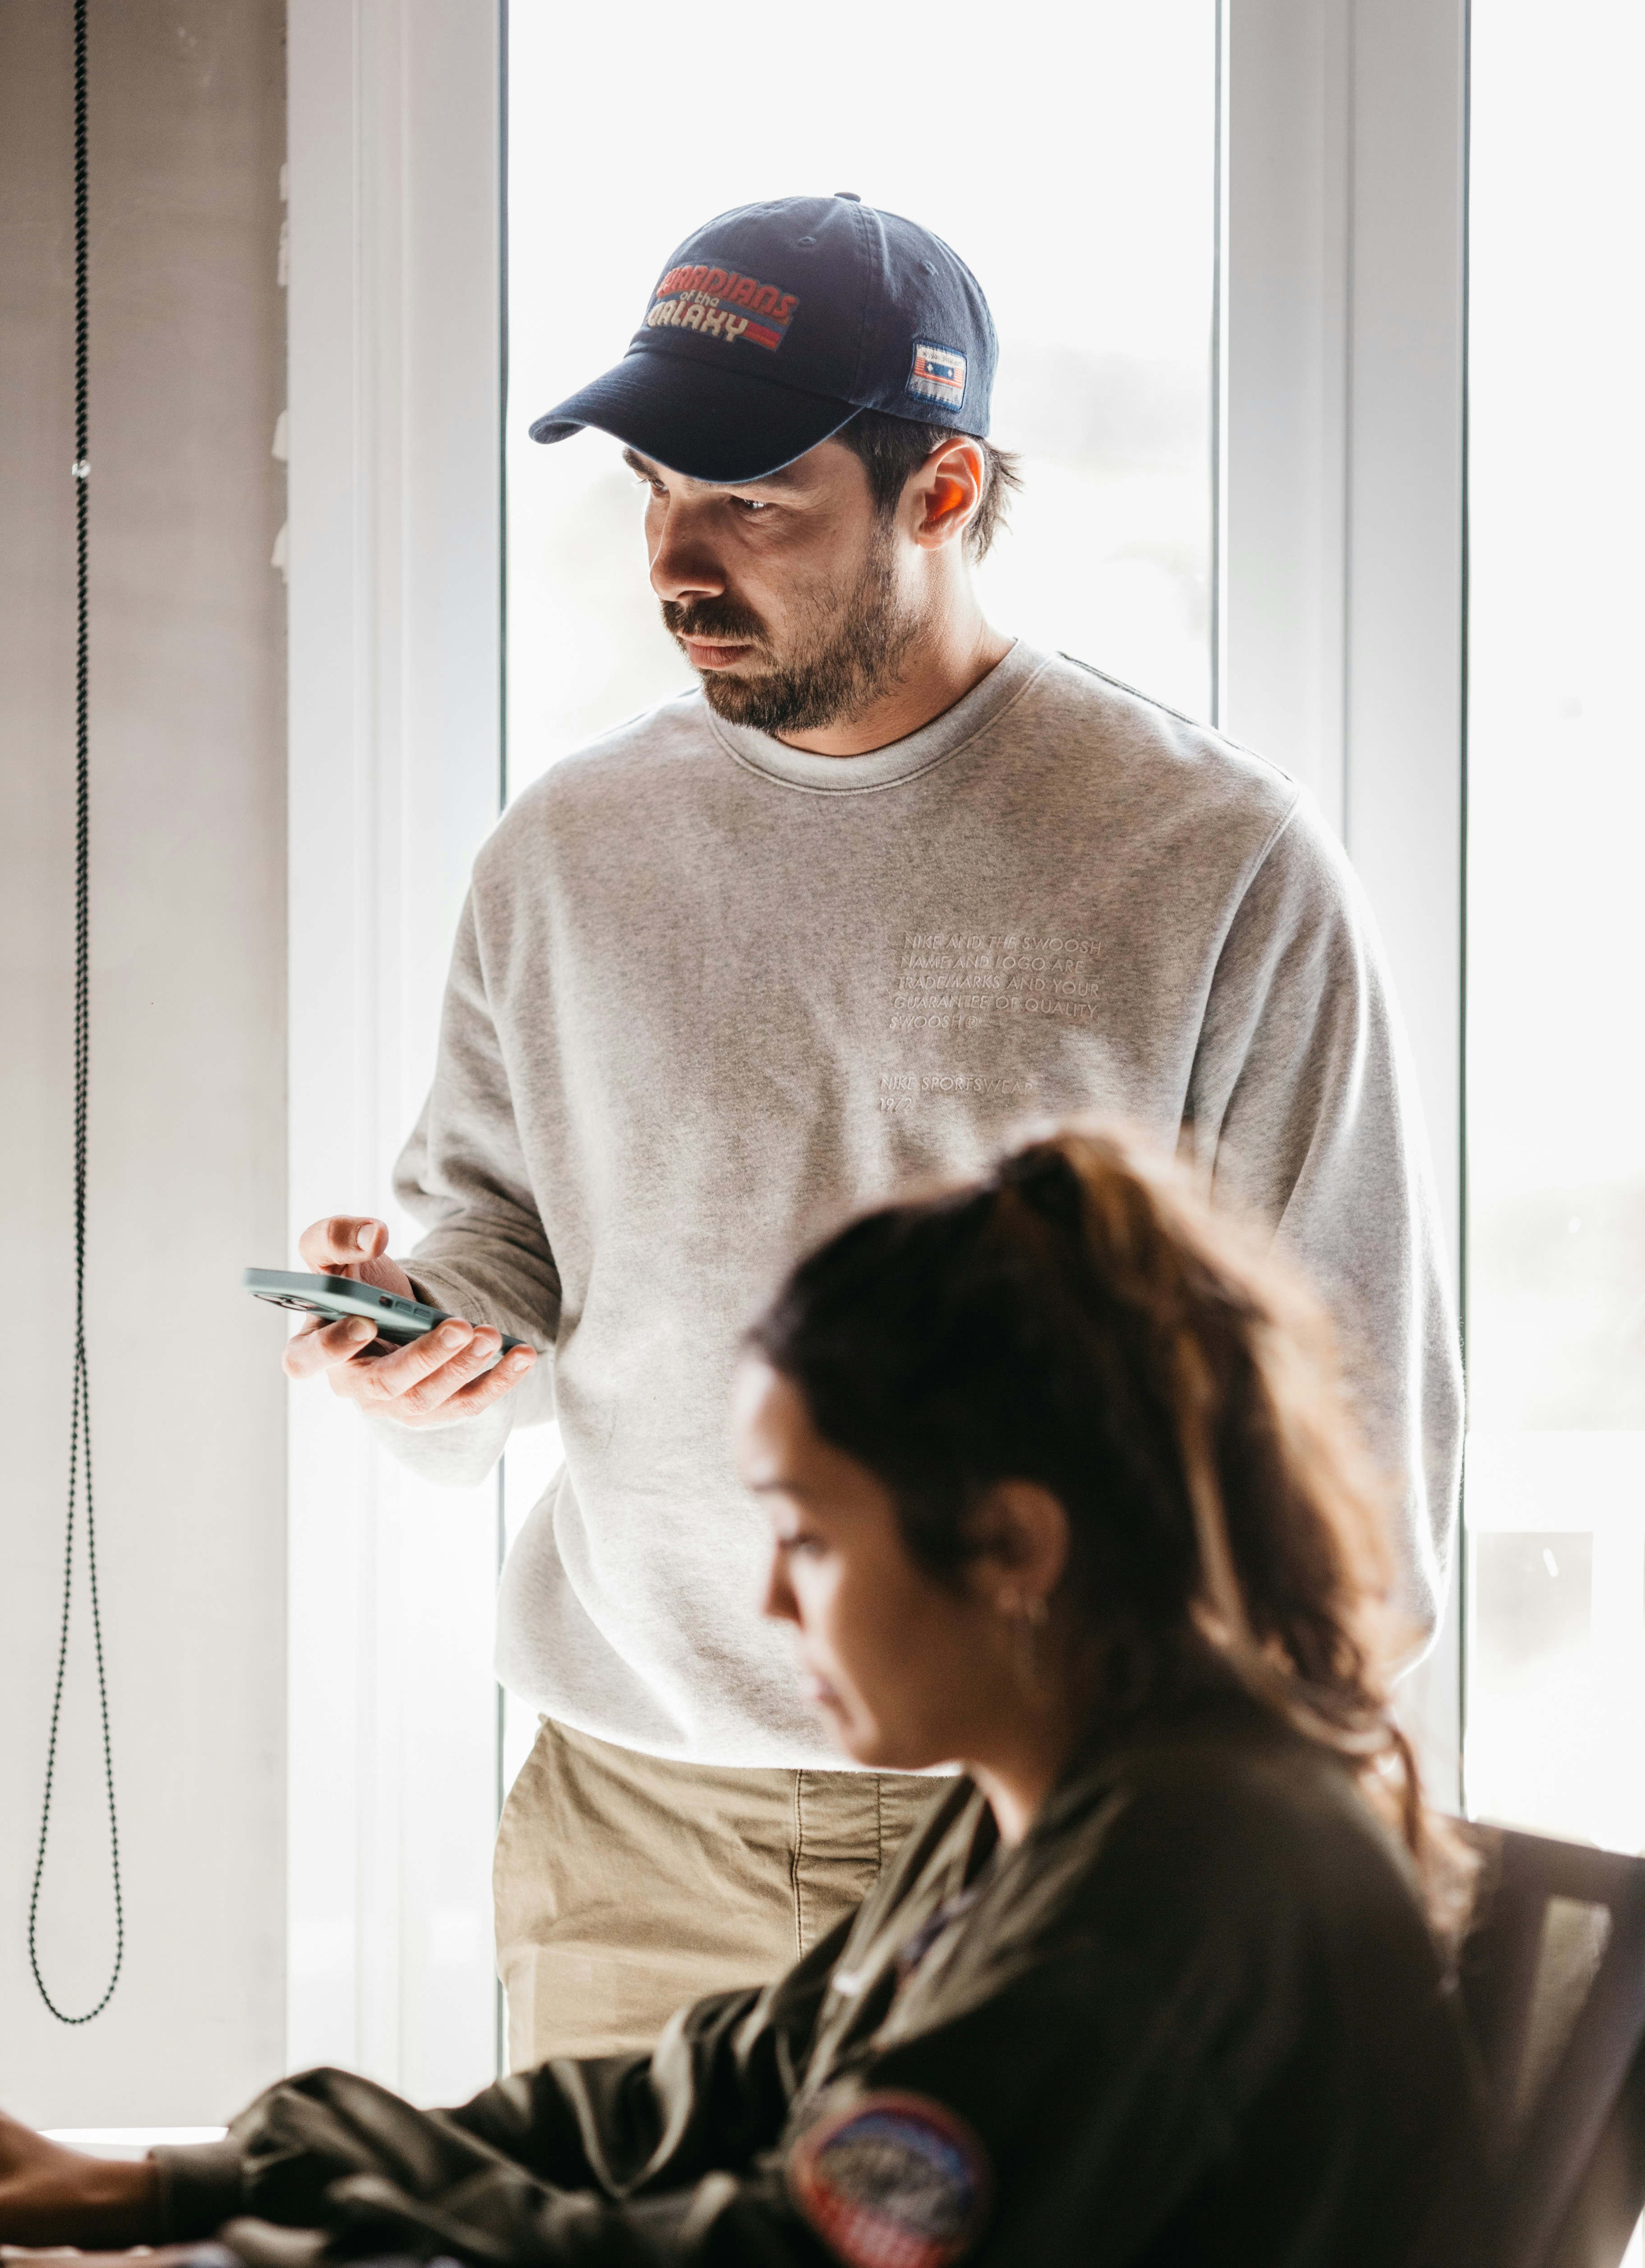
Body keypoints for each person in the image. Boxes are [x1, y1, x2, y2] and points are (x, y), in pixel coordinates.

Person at [281, 191, 1464, 2062]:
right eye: (655, 490)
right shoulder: (562, 855)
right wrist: (426, 1344)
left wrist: (1237, 1842)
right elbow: (502, 1258)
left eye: (753, 502)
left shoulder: (1218, 860)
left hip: (1046, 1825)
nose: (678, 561)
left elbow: (1353, 1421)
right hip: (636, 1828)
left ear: (942, 492)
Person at [0, 1129, 1483, 2268]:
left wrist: (237, 2229)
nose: (773, 1606)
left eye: (809, 1541)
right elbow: (711, 2092)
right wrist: (179, 2185)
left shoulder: (1175, 1885)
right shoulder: (1052, 1805)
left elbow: (777, 2259)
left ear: (1014, 1545)